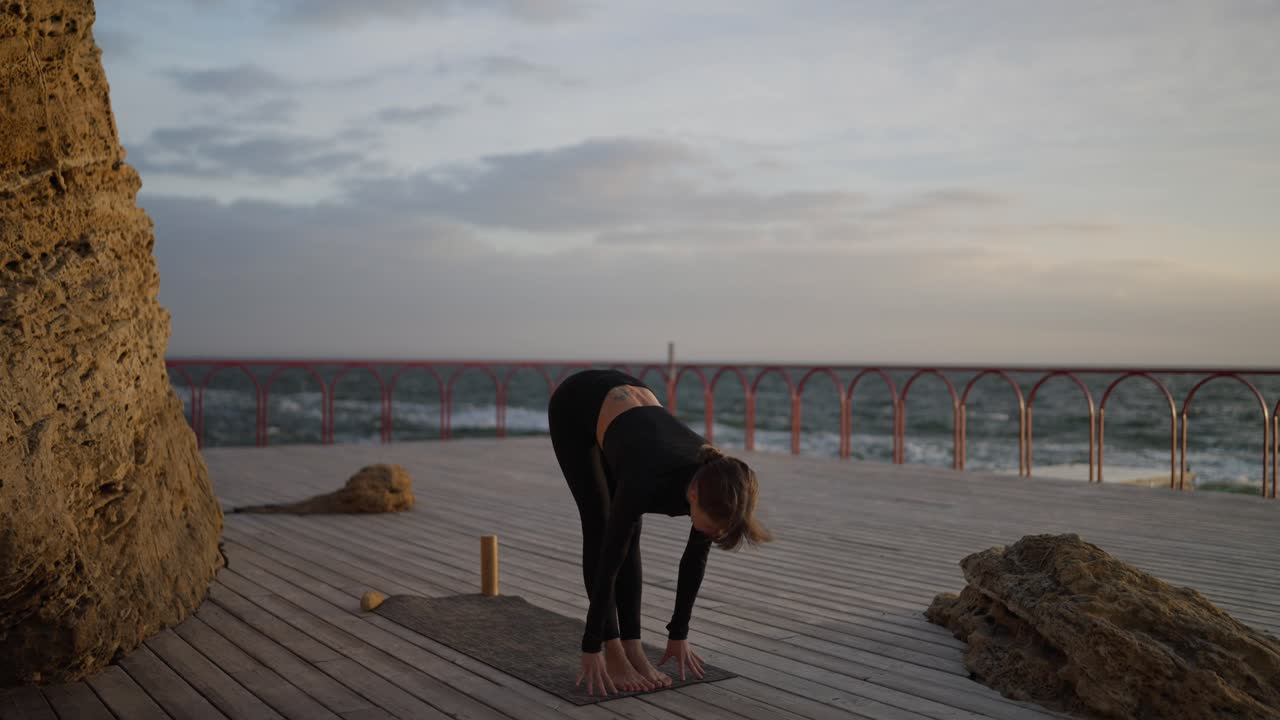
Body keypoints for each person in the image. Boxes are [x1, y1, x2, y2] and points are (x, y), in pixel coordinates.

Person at [547, 368, 772, 697]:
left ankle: (633, 648)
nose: (711, 534)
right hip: (576, 405)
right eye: (712, 527)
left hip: (631, 407)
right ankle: (614, 652)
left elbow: (694, 561)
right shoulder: (646, 478)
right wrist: (591, 645)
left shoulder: (715, 479)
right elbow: (609, 558)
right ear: (693, 496)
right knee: (603, 525)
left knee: (630, 530)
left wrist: (678, 633)